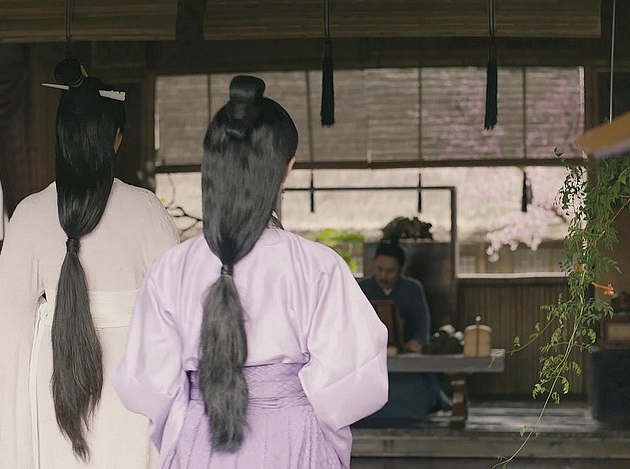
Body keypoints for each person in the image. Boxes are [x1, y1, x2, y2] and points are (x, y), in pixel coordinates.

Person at [112, 75, 388, 469]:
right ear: (287, 168)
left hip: (201, 437)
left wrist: (191, 416)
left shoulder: (172, 268)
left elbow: (148, 384)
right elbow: (354, 380)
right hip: (294, 439)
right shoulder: (318, 266)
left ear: (212, 167)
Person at [0, 61, 180, 468]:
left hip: (55, 376)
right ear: (116, 138)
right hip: (132, 377)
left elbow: (6, 319)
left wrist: (19, 416)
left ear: (62, 136)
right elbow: (178, 308)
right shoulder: (145, 208)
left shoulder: (30, 213)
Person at [359, 240, 451, 419]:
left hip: (405, 354)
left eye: (390, 271)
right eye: (379, 269)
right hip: (371, 356)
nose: (383, 275)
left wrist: (417, 341)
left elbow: (422, 323)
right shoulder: (363, 288)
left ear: (401, 270)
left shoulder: (412, 289)